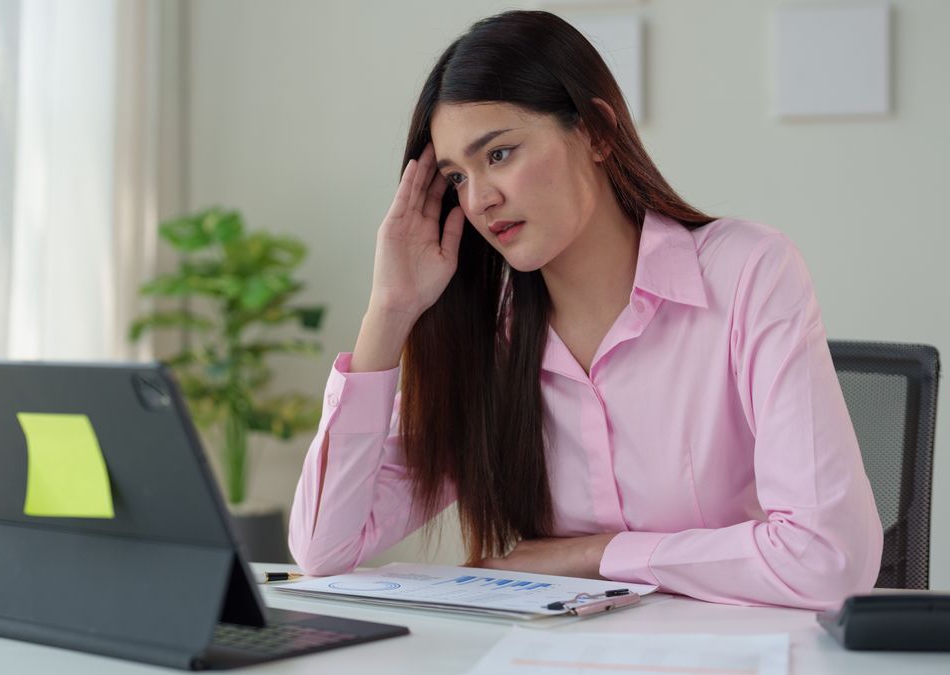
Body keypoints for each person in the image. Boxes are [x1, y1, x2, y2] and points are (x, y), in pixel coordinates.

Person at [287, 10, 881, 611]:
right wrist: (389, 311)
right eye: (456, 178)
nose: (481, 198)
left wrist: (595, 554)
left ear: (596, 131)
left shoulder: (748, 272)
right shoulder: (486, 338)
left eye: (499, 154)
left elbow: (830, 560)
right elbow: (325, 549)